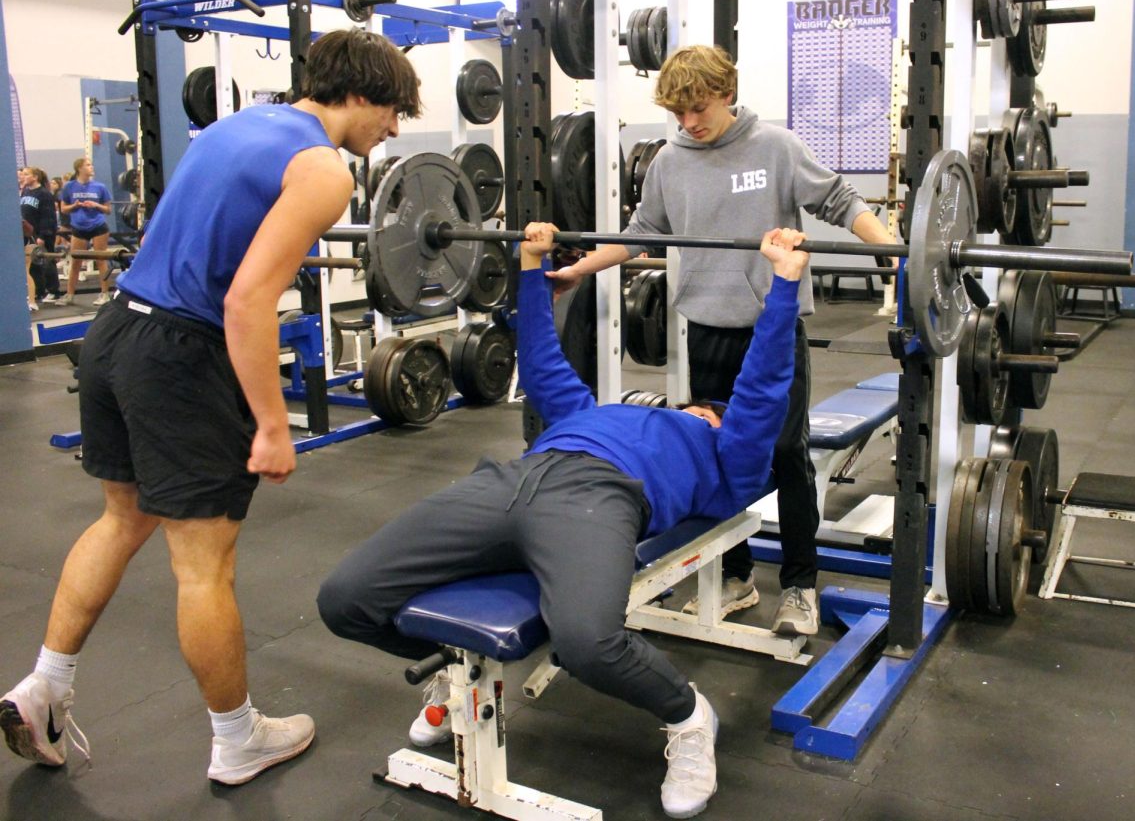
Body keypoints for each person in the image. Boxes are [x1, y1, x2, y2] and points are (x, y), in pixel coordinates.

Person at [0, 27, 422, 786]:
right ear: (361, 92)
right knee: (203, 566)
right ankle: (238, 738)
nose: (393, 130)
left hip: (115, 330)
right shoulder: (324, 170)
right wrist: (270, 425)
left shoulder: (234, 125)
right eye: (392, 111)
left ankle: (44, 685)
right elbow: (247, 300)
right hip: (180, 356)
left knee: (121, 517)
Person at [318, 224, 810, 819]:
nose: (690, 406)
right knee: (344, 599)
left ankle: (688, 717)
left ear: (714, 420)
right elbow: (543, 362)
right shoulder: (591, 411)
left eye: (703, 408)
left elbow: (761, 389)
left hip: (601, 498)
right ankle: (453, 677)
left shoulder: (728, 453)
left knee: (587, 643)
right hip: (509, 481)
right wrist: (529, 266)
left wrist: (784, 284)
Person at [543, 44, 896, 637]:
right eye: (679, 114)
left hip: (773, 331)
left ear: (727, 92)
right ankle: (735, 577)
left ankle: (800, 587)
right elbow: (641, 234)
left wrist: (886, 249)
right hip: (705, 331)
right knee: (713, 458)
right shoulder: (669, 161)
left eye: (699, 108)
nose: (690, 123)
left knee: (785, 457)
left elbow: (840, 200)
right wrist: (581, 269)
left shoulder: (776, 146)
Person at [59, 157, 113, 306]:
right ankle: (69, 294)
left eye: (91, 165)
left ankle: (104, 294)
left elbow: (108, 210)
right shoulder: (69, 187)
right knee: (76, 261)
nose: (91, 167)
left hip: (98, 227)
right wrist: (75, 206)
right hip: (78, 228)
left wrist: (96, 205)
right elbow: (63, 209)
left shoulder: (100, 187)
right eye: (88, 165)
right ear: (79, 169)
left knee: (100, 260)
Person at [20, 167, 62, 303]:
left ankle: (54, 291)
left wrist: (42, 236)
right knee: (32, 264)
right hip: (29, 232)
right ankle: (39, 291)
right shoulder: (25, 191)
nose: (23, 176)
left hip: (43, 233)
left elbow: (48, 217)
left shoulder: (44, 194)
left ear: (35, 177)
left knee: (47, 261)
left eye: (26, 174)